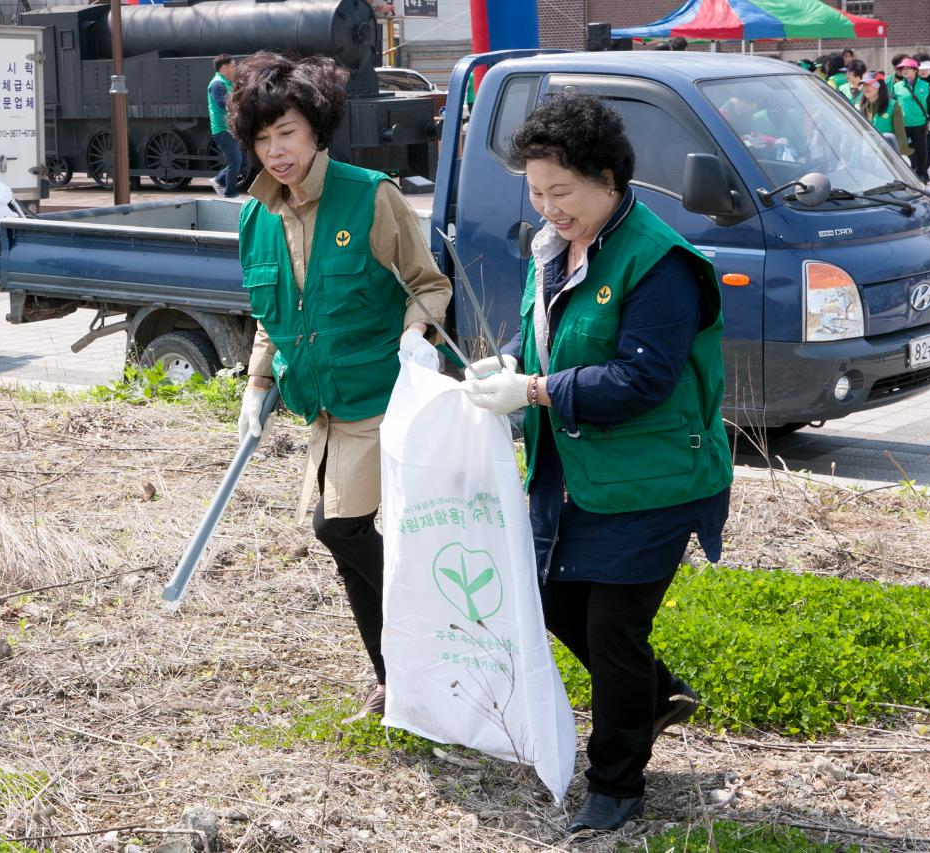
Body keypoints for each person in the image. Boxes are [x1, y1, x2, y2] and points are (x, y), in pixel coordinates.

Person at [461, 94, 732, 834]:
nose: (549, 209)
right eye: (538, 194)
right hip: (572, 472)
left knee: (613, 627)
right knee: (549, 601)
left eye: (562, 193)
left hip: (655, 478)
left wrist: (538, 389)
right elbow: (546, 341)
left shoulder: (662, 264)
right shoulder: (555, 250)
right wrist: (511, 364)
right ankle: (653, 696)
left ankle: (616, 783)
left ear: (609, 179)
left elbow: (641, 380)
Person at [229, 52, 452, 723]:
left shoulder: (370, 195)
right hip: (320, 409)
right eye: (263, 139)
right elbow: (274, 317)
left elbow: (428, 283)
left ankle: (431, 634)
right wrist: (255, 385)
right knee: (347, 554)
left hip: (378, 398)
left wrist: (417, 333)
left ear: (317, 129)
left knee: (340, 527)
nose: (278, 152)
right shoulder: (256, 218)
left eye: (288, 134)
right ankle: (395, 676)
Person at [208, 54, 242, 198]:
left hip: (230, 129)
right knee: (236, 161)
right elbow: (221, 103)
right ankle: (230, 193)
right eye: (233, 66)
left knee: (243, 161)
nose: (235, 69)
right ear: (224, 67)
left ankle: (218, 179)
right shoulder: (217, 84)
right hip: (222, 130)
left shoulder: (227, 83)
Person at [894, 57, 930, 180]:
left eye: (908, 69)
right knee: (902, 150)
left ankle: (922, 173)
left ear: (915, 70)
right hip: (902, 125)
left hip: (919, 124)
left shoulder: (925, 86)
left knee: (922, 151)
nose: (904, 71)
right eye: (902, 69)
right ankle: (903, 175)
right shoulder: (897, 86)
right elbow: (892, 104)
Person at [860, 74, 911, 159]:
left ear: (879, 86)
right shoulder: (861, 106)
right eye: (864, 85)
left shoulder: (892, 106)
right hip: (866, 152)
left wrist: (903, 154)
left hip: (887, 153)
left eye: (869, 85)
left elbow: (900, 132)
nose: (866, 88)